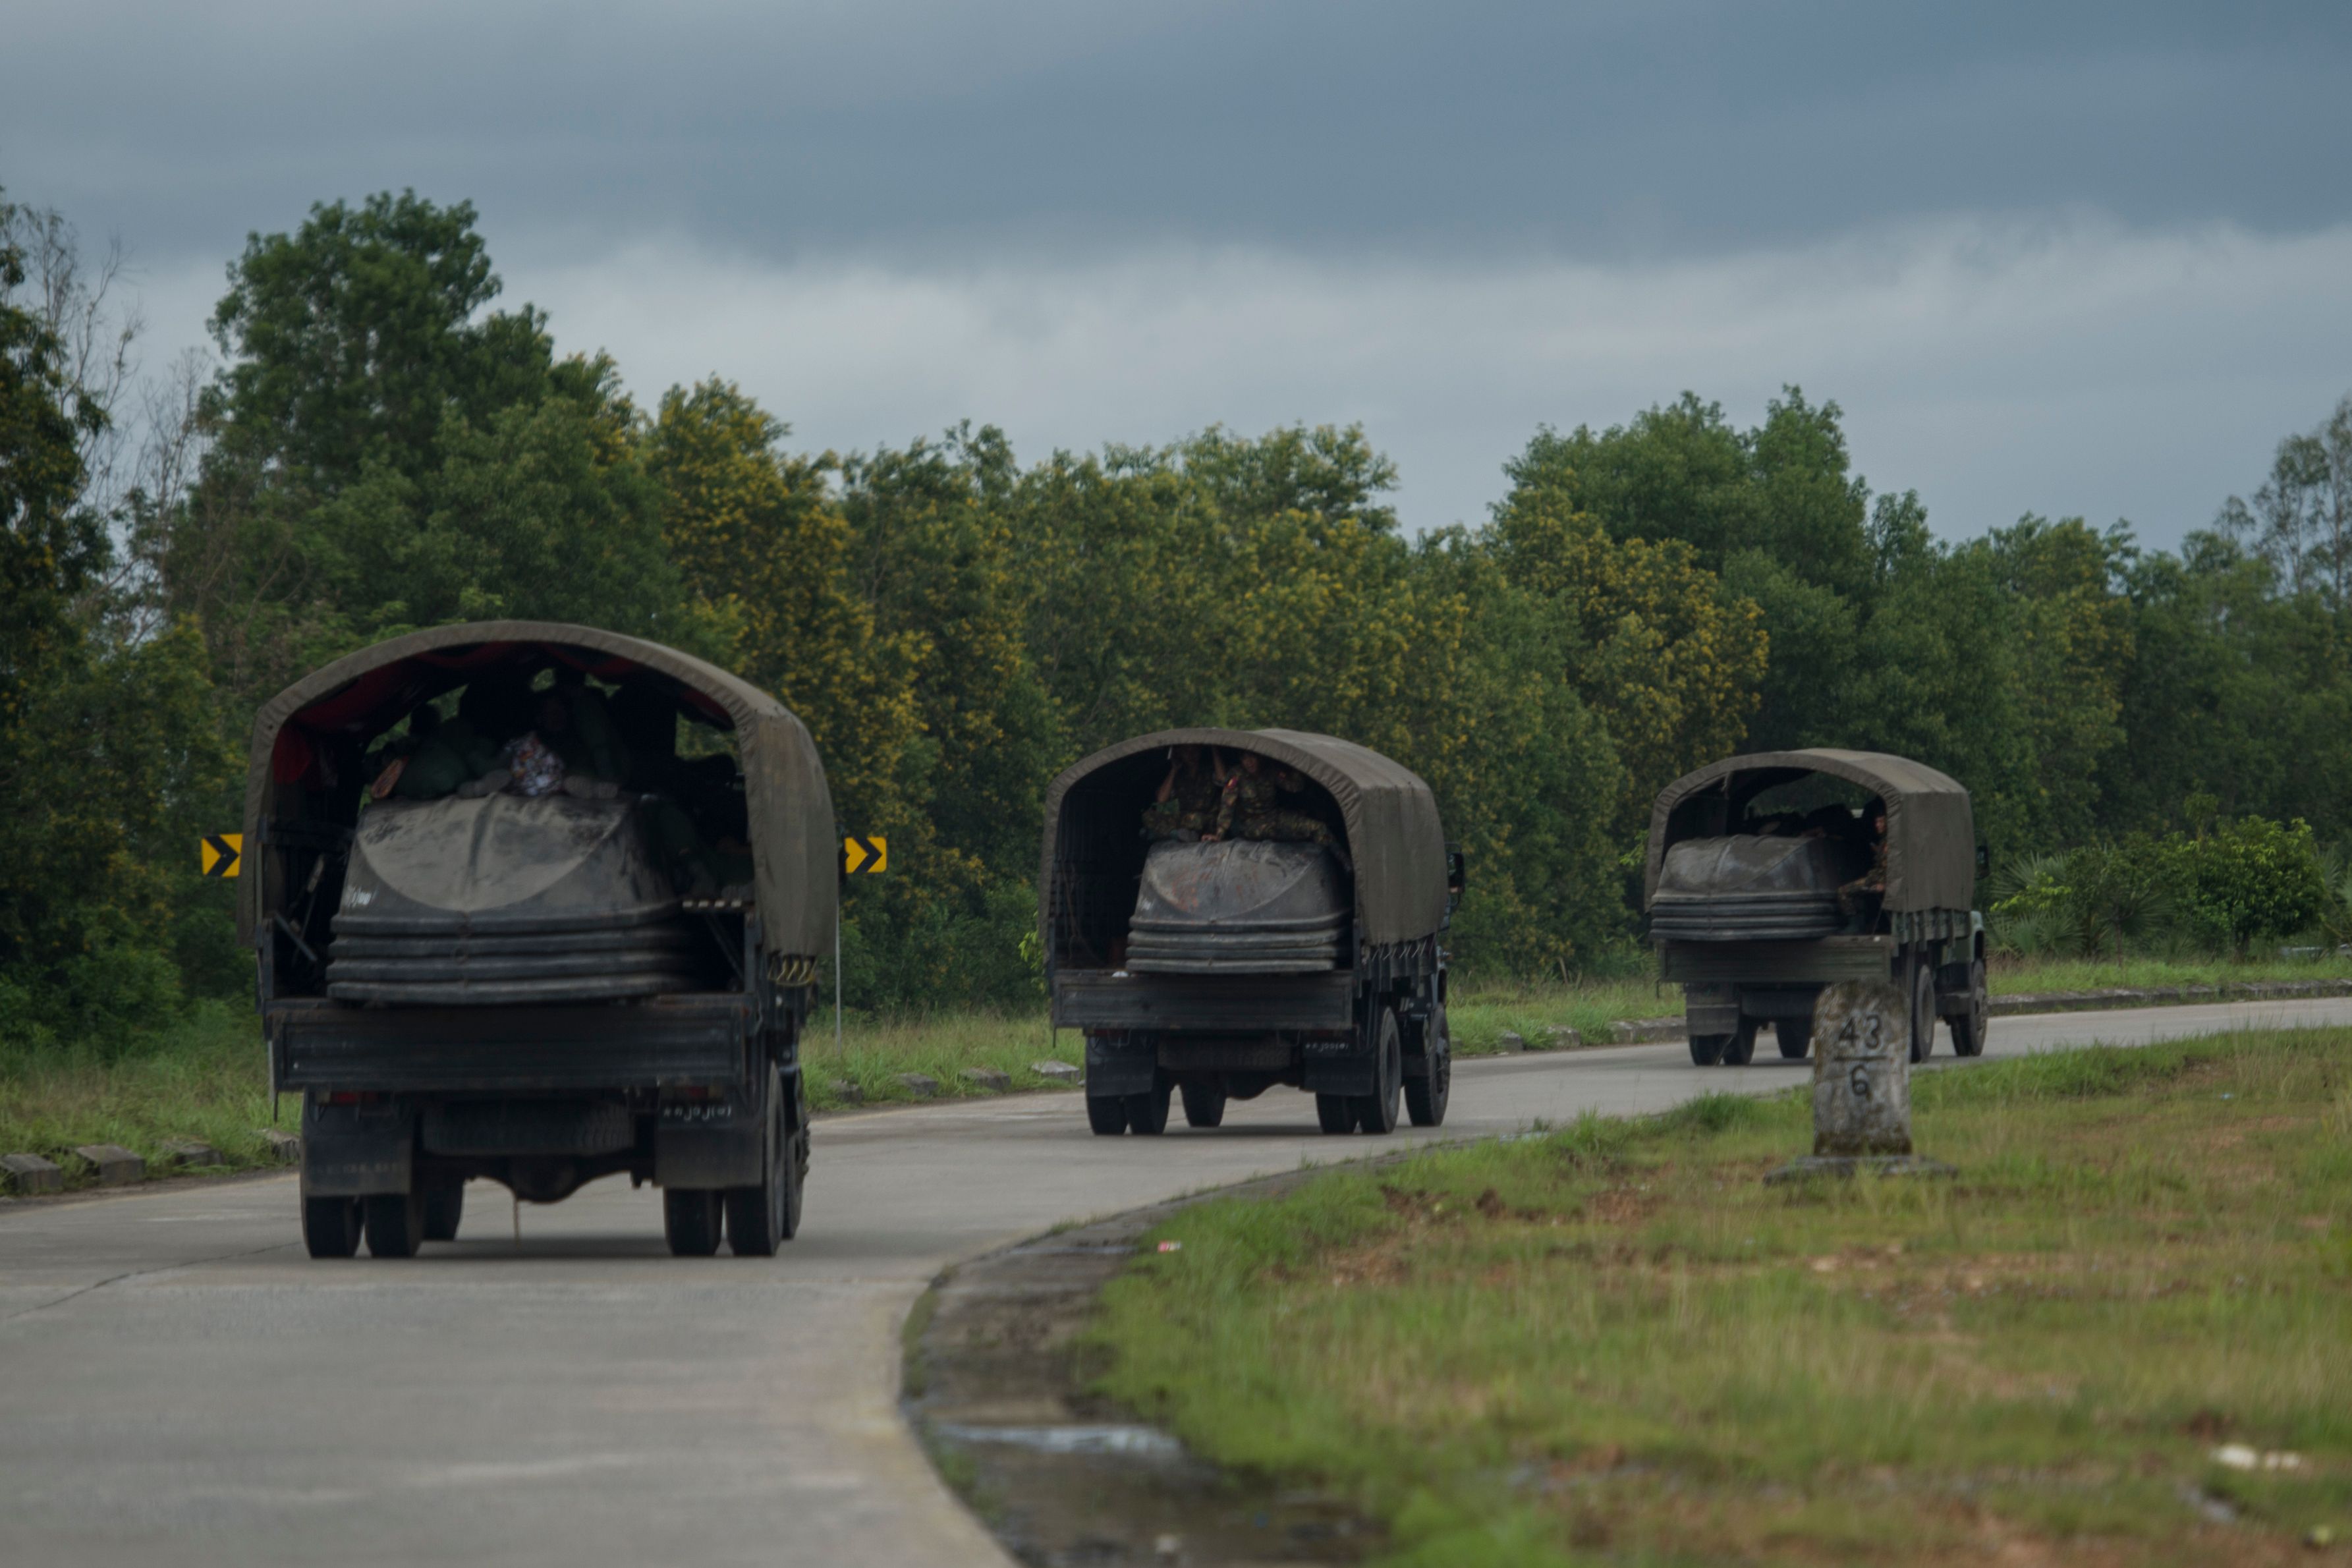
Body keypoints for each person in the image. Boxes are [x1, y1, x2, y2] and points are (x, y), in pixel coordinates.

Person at [1206, 752, 1334, 848]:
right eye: (1245, 758)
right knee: (1274, 832)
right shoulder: (1237, 775)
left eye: (1252, 757)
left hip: (1273, 816)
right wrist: (1219, 834)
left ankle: (1344, 865)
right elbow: (1227, 805)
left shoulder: (1271, 770)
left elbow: (1295, 787)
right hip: (1250, 824)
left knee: (1319, 828)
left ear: (1260, 757)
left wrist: (1294, 765)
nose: (1249, 762)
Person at [1142, 745, 1219, 840]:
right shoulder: (1179, 775)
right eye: (1186, 752)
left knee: (1196, 819)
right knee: (1148, 816)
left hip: (1204, 819)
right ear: (1180, 754)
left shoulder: (1209, 770)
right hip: (1183, 819)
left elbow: (1223, 778)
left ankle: (1183, 834)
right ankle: (1177, 834)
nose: (1191, 755)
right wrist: (1174, 770)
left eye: (1194, 751)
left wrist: (1214, 750)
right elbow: (1161, 799)